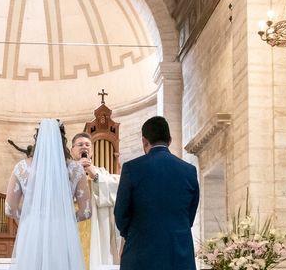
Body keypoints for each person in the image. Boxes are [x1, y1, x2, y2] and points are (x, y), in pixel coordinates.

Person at [114, 116, 199, 270]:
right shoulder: (189, 170)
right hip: (179, 253)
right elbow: (190, 214)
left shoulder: (131, 169)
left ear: (144, 141)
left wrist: (135, 233)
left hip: (140, 253)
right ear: (170, 140)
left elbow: (120, 214)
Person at [5, 119, 91, 270]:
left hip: (32, 234)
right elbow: (86, 212)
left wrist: (26, 218)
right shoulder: (75, 169)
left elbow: (9, 208)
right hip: (62, 234)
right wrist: (67, 218)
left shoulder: (22, 168)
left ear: (37, 139)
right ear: (62, 140)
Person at [71, 132, 121, 270]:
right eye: (80, 145)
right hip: (72, 227)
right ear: (72, 150)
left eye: (87, 145)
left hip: (96, 229)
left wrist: (97, 177)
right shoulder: (64, 171)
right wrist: (75, 171)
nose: (84, 147)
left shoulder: (101, 172)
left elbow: (117, 188)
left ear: (91, 151)